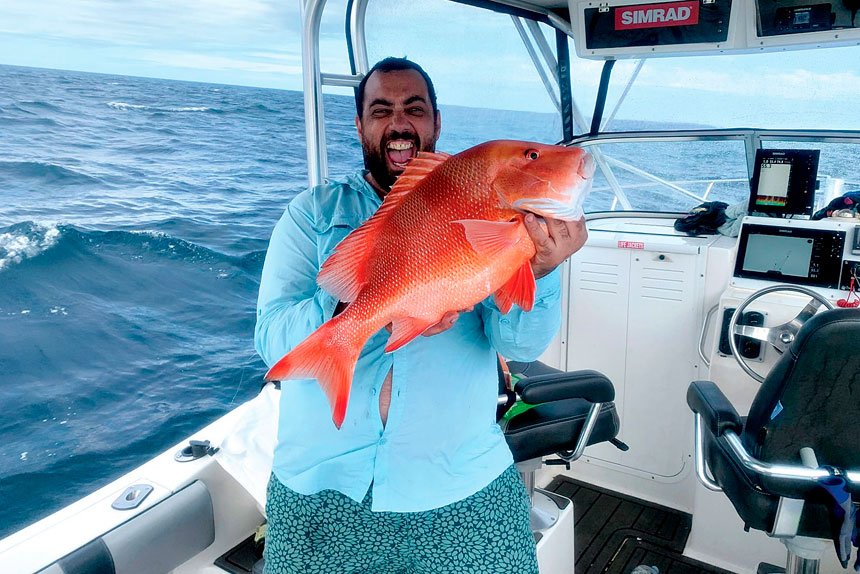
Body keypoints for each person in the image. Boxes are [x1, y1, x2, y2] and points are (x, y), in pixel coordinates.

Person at [254, 57, 587, 574]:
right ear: (361, 125)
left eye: (414, 108)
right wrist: (361, 305)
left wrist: (540, 271)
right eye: (380, 109)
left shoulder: (518, 226)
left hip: (460, 483)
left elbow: (521, 346)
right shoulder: (312, 214)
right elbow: (272, 339)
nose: (399, 123)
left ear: (436, 122)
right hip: (321, 486)